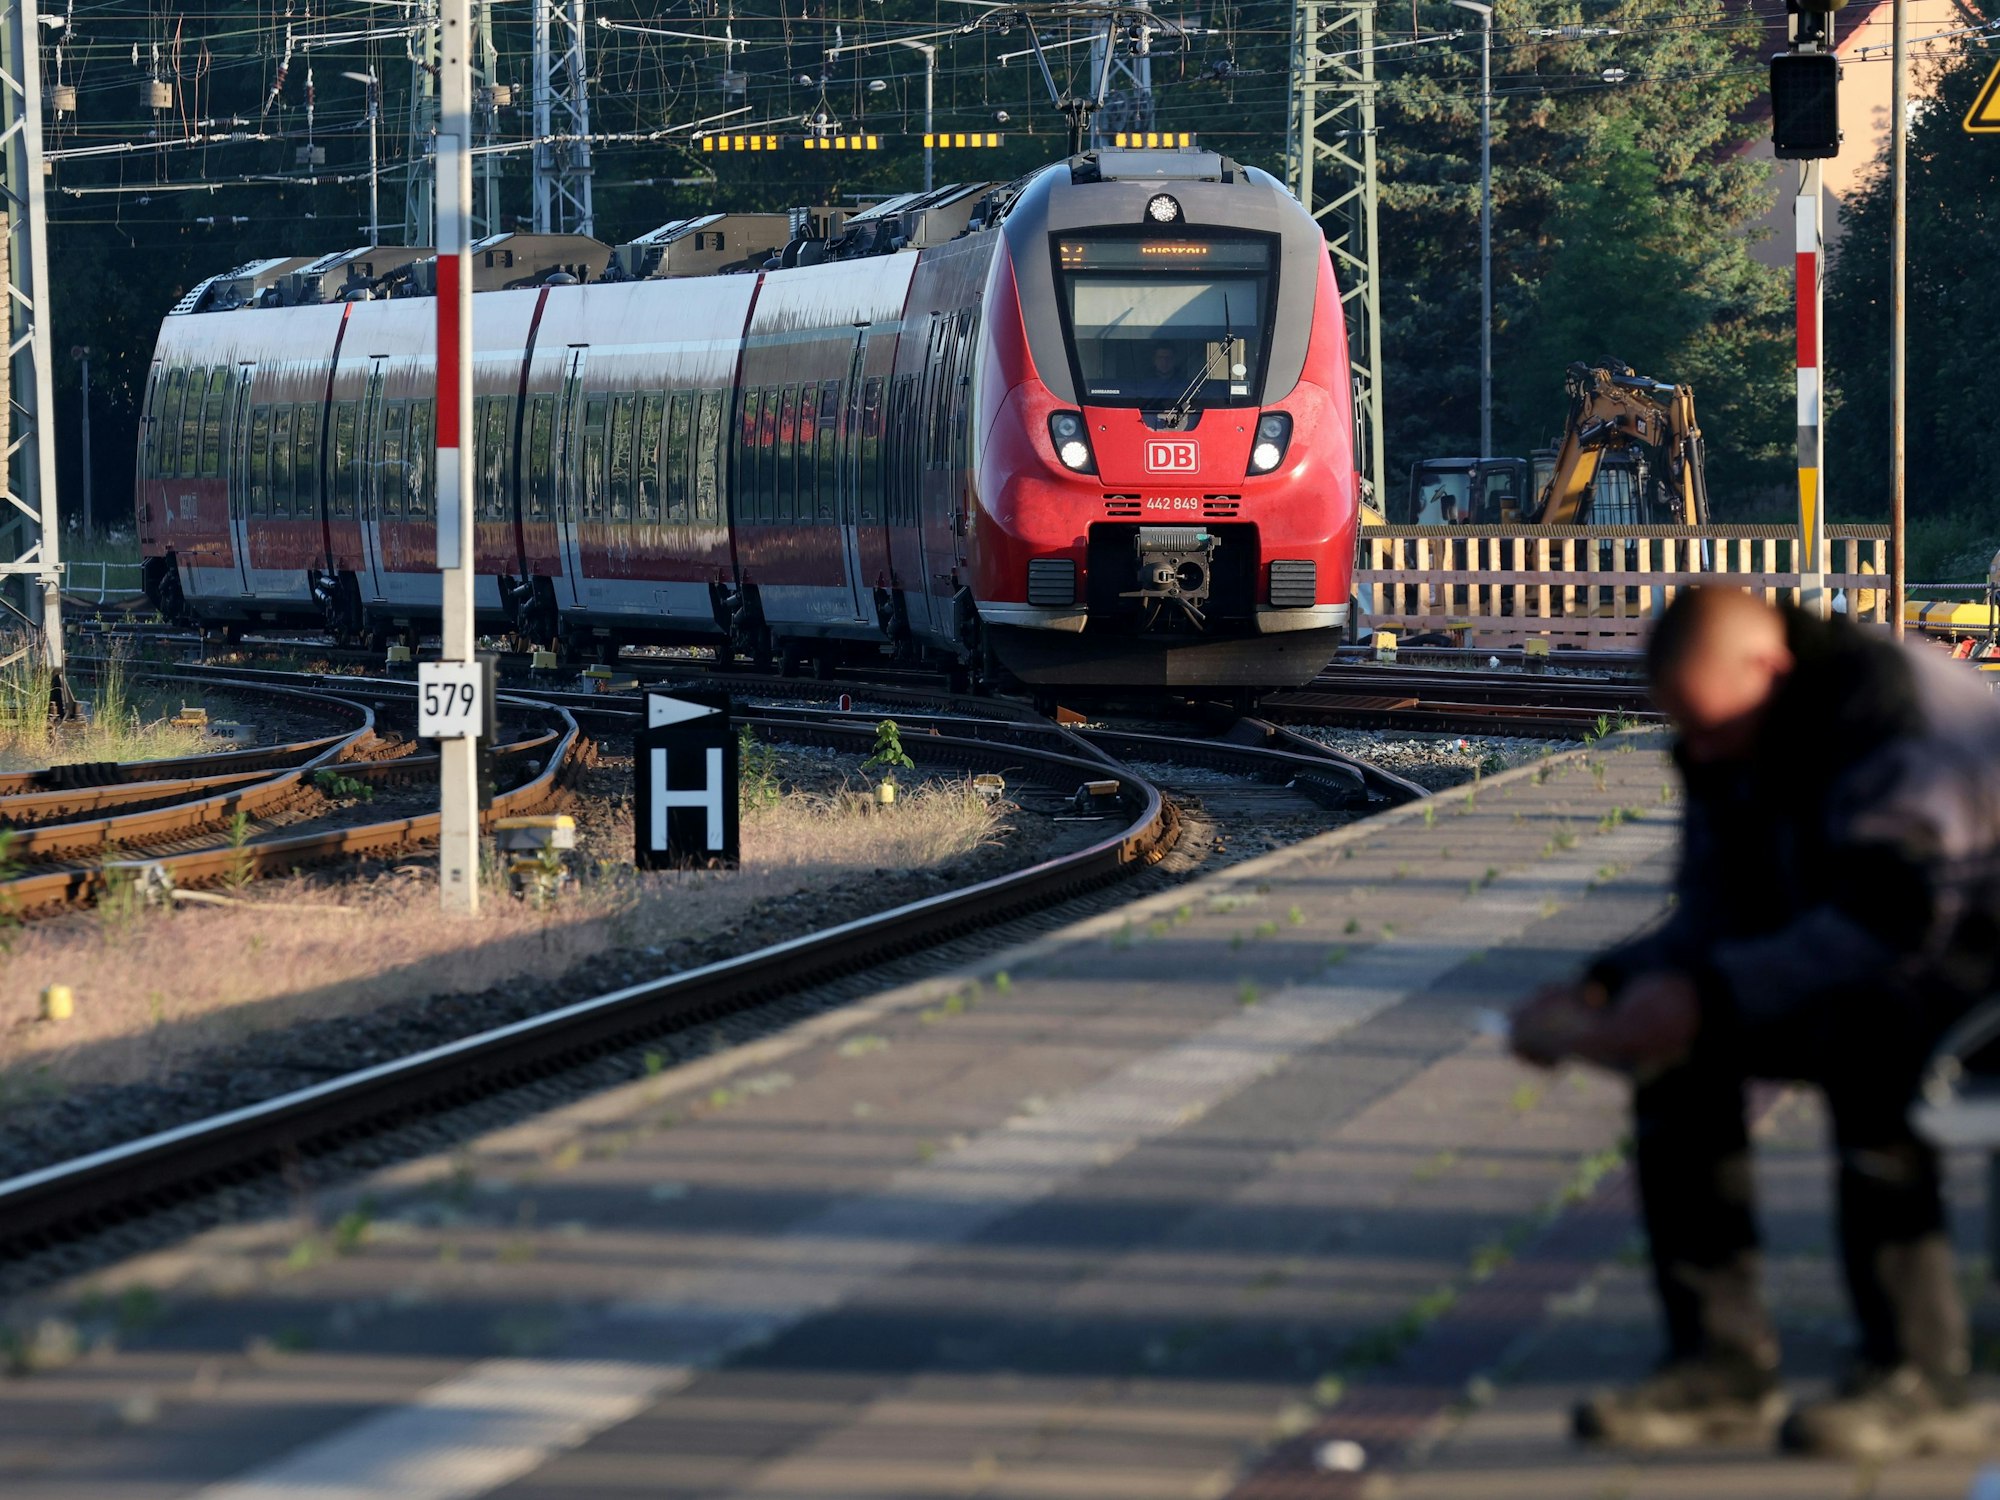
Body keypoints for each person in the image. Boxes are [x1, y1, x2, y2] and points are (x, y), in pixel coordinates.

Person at [1511, 586, 2000, 1459]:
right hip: (1885, 949)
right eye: (1685, 731)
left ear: (1768, 670)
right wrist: (1606, 989)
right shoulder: (1730, 727)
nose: (1699, 754)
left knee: (1873, 1040)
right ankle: (1718, 1367)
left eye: (1710, 728)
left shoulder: (1893, 713)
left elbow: (1895, 916)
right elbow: (1712, 911)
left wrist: (1710, 993)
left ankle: (1921, 1375)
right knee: (1673, 1054)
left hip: (1969, 959)